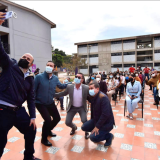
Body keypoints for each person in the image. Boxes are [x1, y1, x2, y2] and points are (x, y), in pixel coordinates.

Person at [0, 14, 40, 160]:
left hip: (18, 111)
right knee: (0, 141)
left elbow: (31, 98)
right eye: (24, 56)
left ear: (31, 64)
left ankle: (29, 157)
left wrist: (33, 116)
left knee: (31, 130)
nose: (25, 58)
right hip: (2, 110)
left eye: (28, 59)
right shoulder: (9, 65)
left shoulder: (30, 78)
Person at [34, 61, 68, 146]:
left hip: (50, 102)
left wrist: (71, 84)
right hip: (40, 103)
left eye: (51, 65)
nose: (49, 66)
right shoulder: (38, 77)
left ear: (54, 68)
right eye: (48, 65)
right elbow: (33, 90)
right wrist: (32, 102)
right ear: (46, 66)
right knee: (48, 120)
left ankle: (48, 130)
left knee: (57, 118)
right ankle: (44, 139)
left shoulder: (55, 78)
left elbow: (61, 86)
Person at [54, 73, 90, 139]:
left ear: (82, 80)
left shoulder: (86, 88)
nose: (77, 78)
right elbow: (63, 93)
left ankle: (86, 132)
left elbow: (90, 97)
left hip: (82, 107)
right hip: (72, 107)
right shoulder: (69, 86)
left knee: (84, 120)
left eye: (79, 77)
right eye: (76, 77)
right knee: (67, 122)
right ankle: (74, 127)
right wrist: (54, 94)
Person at [81, 82, 115, 147]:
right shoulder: (93, 96)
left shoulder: (103, 98)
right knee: (84, 127)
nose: (90, 90)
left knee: (93, 138)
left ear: (97, 89)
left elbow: (105, 114)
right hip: (96, 119)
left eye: (92, 88)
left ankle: (109, 136)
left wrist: (97, 127)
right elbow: (87, 97)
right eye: (89, 89)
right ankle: (99, 133)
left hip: (106, 123)